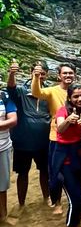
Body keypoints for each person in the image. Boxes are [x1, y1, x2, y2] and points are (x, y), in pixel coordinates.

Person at [32, 62, 76, 214]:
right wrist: (36, 77)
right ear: (59, 76)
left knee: (76, 169)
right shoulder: (52, 91)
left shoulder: (76, 91)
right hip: (56, 136)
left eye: (70, 73)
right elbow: (37, 93)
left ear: (74, 75)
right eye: (65, 73)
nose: (68, 75)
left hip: (75, 137)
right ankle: (56, 201)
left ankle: (75, 196)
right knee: (55, 172)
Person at [7, 60, 50, 210]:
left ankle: (47, 200)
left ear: (47, 75)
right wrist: (12, 73)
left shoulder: (47, 93)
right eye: (36, 74)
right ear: (31, 73)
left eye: (42, 74)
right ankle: (21, 205)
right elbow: (10, 88)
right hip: (22, 142)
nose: (39, 77)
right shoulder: (21, 91)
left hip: (44, 142)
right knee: (22, 173)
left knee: (45, 171)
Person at [54, 83, 81, 227]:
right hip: (64, 157)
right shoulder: (63, 111)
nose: (80, 98)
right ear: (69, 98)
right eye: (75, 96)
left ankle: (76, 225)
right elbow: (60, 129)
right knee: (75, 199)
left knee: (80, 193)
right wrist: (69, 120)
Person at [0, 87, 17, 222]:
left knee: (2, 184)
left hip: (3, 146)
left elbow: (13, 120)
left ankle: (3, 216)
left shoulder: (4, 96)